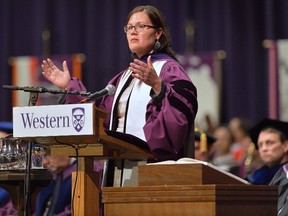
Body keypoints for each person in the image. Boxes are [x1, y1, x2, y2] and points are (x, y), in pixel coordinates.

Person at [41, 5, 198, 186]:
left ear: (158, 33)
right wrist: (70, 86)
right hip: (116, 168)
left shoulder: (169, 70)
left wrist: (158, 86)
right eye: (129, 27)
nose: (133, 32)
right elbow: (102, 119)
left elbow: (182, 113)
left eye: (141, 26)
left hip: (152, 167)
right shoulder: (123, 78)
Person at [247, 118, 288, 185]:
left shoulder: (286, 175)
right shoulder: (256, 176)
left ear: (285, 146)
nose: (264, 149)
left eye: (269, 143)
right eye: (260, 145)